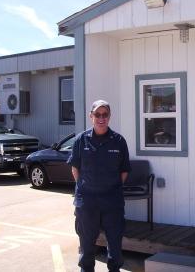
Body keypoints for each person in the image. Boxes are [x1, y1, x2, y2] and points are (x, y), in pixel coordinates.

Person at [68, 100, 131, 272]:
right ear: (91, 116)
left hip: (112, 202)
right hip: (87, 202)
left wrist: (112, 187)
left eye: (105, 114)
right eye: (97, 114)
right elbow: (75, 168)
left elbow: (124, 170)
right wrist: (85, 187)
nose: (101, 118)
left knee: (115, 248)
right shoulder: (81, 140)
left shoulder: (119, 141)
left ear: (109, 117)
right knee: (87, 247)